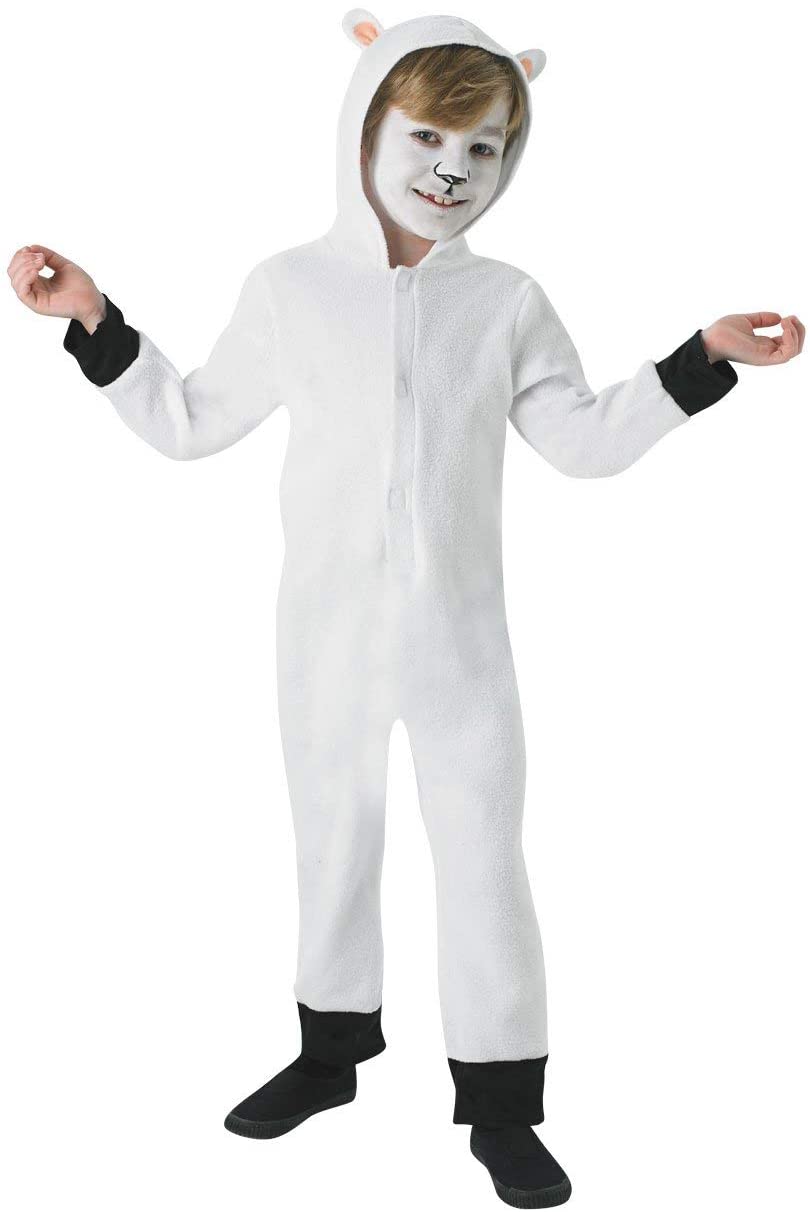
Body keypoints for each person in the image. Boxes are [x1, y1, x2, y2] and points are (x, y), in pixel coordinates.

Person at [7, 10, 804, 1208]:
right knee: (333, 841)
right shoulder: (290, 288)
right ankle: (331, 1053)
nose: (452, 168)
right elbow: (191, 423)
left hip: (461, 651)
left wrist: (700, 360)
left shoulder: (508, 301)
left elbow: (583, 443)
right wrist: (93, 322)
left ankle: (503, 1104)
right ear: (367, 124)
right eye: (429, 134)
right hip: (323, 639)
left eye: (484, 148)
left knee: (482, 857)